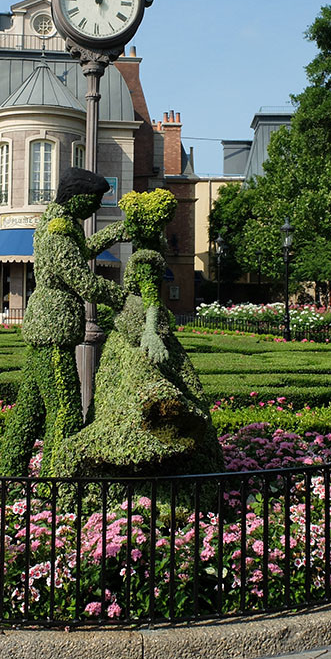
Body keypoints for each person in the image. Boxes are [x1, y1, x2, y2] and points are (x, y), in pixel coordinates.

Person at [54, 189, 222, 478]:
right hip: (133, 325)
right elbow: (88, 249)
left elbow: (152, 301)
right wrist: (117, 231)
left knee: (136, 385)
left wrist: (150, 333)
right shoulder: (151, 247)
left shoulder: (145, 259)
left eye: (132, 221)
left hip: (139, 327)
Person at [0, 167, 128, 477]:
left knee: (30, 408)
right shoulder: (59, 229)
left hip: (47, 327)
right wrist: (125, 299)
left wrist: (118, 230)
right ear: (78, 198)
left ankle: (9, 475)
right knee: (65, 409)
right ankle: (58, 483)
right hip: (53, 328)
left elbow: (80, 252)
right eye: (95, 200)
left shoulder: (63, 224)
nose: (97, 207)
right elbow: (84, 281)